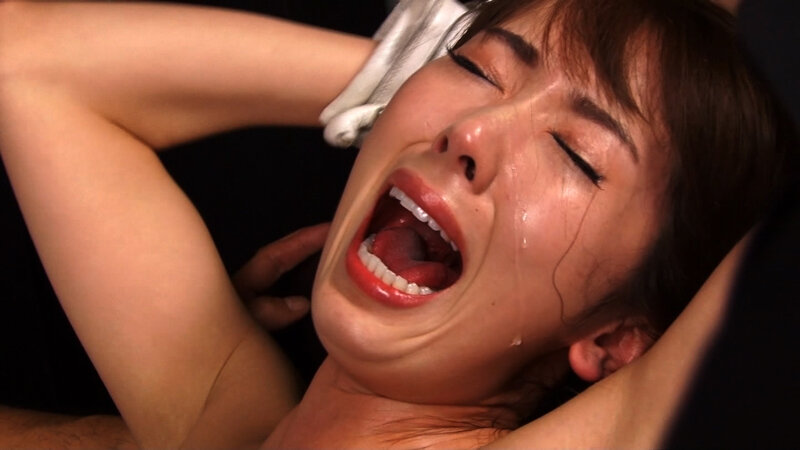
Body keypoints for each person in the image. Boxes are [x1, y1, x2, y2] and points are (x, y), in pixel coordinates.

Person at [0, 0, 793, 448]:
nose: (469, 132)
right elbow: (21, 63)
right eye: (477, 69)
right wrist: (399, 89)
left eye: (576, 155)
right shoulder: (224, 417)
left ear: (615, 339)